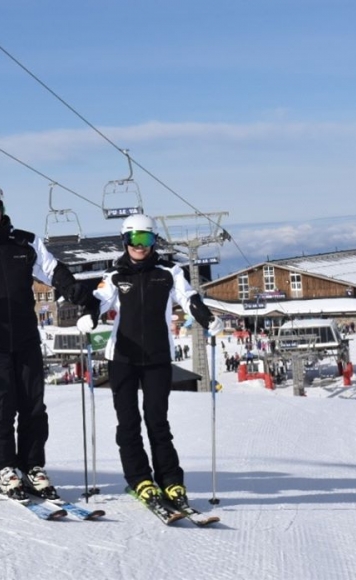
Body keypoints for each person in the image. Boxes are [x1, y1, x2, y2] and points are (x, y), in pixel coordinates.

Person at [0, 179, 93, 500]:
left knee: (33, 405)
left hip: (25, 337)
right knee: (1, 406)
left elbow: (53, 271)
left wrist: (76, 291)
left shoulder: (27, 243)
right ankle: (5, 469)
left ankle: (33, 466)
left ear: (1, 205)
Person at [77, 213, 224, 513]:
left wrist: (207, 318)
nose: (139, 245)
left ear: (154, 241)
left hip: (157, 357)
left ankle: (170, 480)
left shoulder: (169, 271)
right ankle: (139, 478)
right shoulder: (116, 274)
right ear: (125, 240)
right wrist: (90, 315)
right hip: (122, 359)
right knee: (128, 422)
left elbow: (189, 298)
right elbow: (100, 299)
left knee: (157, 421)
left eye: (145, 239)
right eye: (134, 239)